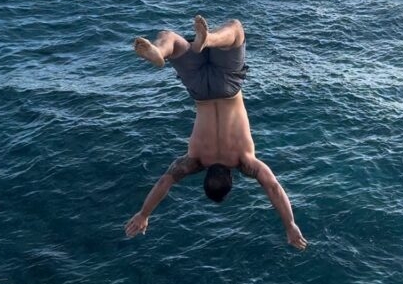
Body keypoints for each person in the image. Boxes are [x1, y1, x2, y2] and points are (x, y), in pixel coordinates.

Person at [124, 16, 307, 250]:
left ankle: (209, 40)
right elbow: (164, 183)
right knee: (171, 38)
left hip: (228, 86)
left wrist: (290, 224)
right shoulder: (194, 161)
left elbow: (272, 187)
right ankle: (163, 50)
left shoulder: (245, 160)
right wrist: (143, 214)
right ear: (206, 177)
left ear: (231, 178)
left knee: (236, 31)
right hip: (200, 89)